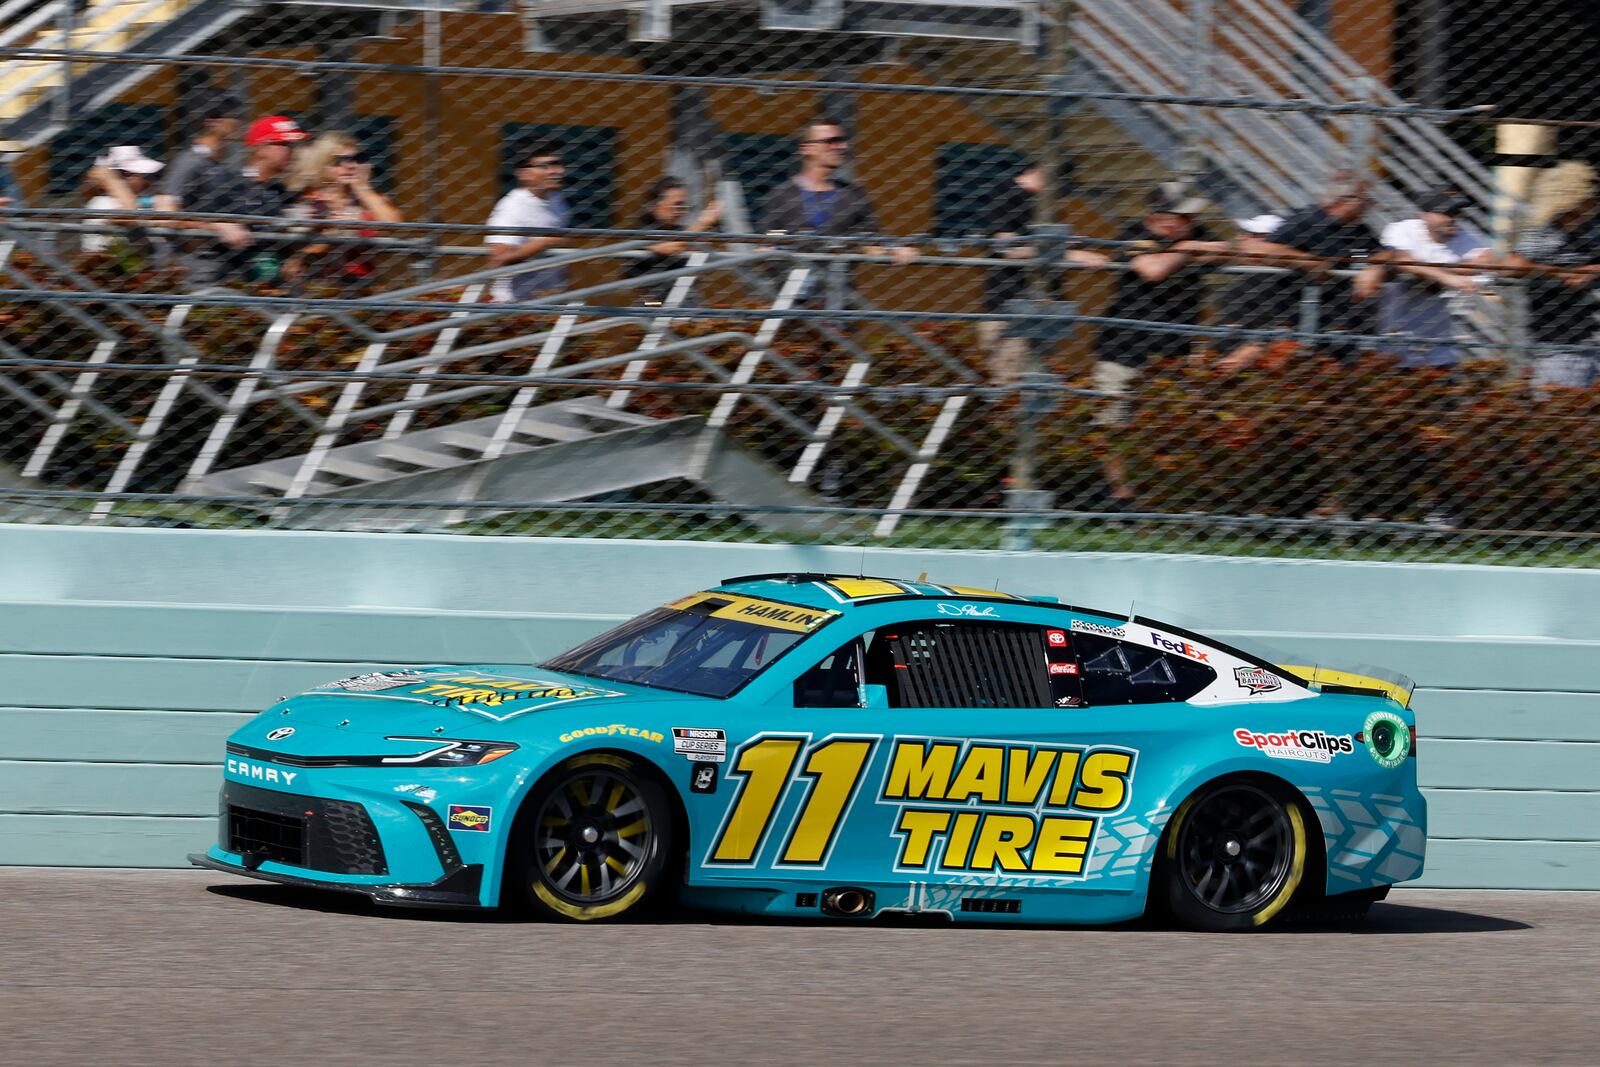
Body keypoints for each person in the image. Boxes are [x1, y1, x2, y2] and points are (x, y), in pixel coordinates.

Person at [1094, 183, 1234, 502]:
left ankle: (1156, 491)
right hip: (1125, 348)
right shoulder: (1133, 235)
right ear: (1161, 218)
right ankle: (1116, 490)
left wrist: (1195, 247)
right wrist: (1188, 250)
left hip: (1173, 351)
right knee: (1114, 422)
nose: (1191, 221)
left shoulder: (1196, 233)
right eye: (1184, 216)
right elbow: (1152, 269)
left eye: (1191, 217)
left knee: (1165, 425)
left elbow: (1227, 247)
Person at [1219, 171, 1385, 369]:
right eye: (1366, 198)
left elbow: (1384, 253)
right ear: (1346, 200)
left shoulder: (1357, 231)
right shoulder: (1307, 221)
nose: (1371, 204)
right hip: (1286, 318)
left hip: (1335, 324)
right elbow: (1259, 249)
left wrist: (1374, 266)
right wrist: (1309, 262)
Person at [978, 160, 1110, 385]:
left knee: (1039, 378)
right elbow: (1008, 248)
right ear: (1039, 172)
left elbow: (1042, 245)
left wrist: (1066, 247)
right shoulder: (1007, 194)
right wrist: (1065, 253)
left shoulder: (1045, 204)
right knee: (1010, 384)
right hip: (1011, 304)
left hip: (1044, 304)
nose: (1058, 194)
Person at [759, 119, 918, 267]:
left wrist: (893, 251)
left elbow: (870, 244)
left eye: (841, 141)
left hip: (836, 289)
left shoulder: (854, 195)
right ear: (807, 148)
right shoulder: (781, 195)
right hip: (786, 288)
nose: (841, 147)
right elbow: (771, 241)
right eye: (831, 142)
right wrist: (769, 249)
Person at [1504, 162, 1600, 389]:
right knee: (1563, 408)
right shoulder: (1543, 231)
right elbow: (1511, 266)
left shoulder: (1595, 228)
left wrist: (1592, 271)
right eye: (1590, 201)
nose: (1596, 205)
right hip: (1560, 340)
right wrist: (1559, 273)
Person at [1378, 187, 1492, 367]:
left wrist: (1432, 272)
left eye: (1456, 212)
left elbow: (1486, 260)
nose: (1452, 218)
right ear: (1424, 215)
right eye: (1445, 212)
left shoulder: (1462, 234)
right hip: (1397, 335)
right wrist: (1447, 278)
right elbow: (1402, 261)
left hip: (1439, 341)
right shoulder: (1403, 229)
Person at [282, 131, 402, 288]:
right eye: (341, 160)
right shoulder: (307, 197)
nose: (351, 165)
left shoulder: (368, 199)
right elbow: (302, 243)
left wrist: (361, 188)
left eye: (356, 159)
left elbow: (395, 225)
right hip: (314, 283)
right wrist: (333, 229)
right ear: (323, 163)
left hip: (361, 285)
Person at [155, 90, 248, 285]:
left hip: (222, 267)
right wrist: (215, 226)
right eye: (234, 117)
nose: (241, 123)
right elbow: (165, 214)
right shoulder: (190, 161)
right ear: (212, 121)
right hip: (193, 271)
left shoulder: (223, 167)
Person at [485, 140, 571, 302]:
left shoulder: (557, 200)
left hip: (550, 299)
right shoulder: (512, 206)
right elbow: (500, 257)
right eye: (546, 166)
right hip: (514, 303)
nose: (558, 171)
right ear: (524, 173)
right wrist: (545, 242)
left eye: (558, 165)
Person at [623, 176, 721, 299]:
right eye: (677, 205)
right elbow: (669, 247)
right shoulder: (643, 232)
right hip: (652, 303)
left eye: (683, 206)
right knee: (653, 307)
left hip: (683, 300)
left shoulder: (680, 230)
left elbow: (697, 256)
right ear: (654, 206)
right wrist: (703, 223)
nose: (681, 210)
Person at [82, 145, 163, 255]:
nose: (147, 181)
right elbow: (130, 215)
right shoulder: (103, 202)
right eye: (142, 175)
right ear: (126, 175)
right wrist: (113, 181)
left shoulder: (138, 200)